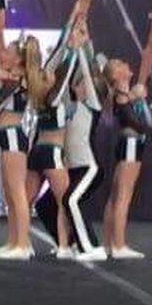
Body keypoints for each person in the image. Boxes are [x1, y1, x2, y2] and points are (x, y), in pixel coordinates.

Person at [26, 22, 92, 259]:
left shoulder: (39, 96)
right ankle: (64, 245)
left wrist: (69, 36)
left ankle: (20, 243)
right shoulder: (54, 97)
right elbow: (65, 71)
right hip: (52, 152)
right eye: (48, 74)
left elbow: (56, 63)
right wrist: (75, 48)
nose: (52, 72)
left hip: (36, 153)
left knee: (26, 200)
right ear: (47, 82)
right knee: (64, 201)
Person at [34, 45, 105, 262]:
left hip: (89, 168)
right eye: (80, 83)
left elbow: (87, 69)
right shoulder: (67, 106)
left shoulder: (92, 105)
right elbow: (58, 80)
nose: (84, 86)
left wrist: (82, 48)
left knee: (71, 200)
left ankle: (90, 247)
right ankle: (69, 243)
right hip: (72, 169)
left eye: (86, 83)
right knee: (44, 204)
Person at [0, 39, 35, 259]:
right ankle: (13, 241)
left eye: (8, 51)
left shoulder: (17, 81)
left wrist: (1, 81)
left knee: (17, 192)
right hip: (7, 138)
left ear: (17, 59)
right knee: (10, 194)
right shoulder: (12, 80)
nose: (3, 54)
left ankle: (23, 245)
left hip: (14, 137)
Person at [101, 59, 152, 259]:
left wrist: (140, 99)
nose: (126, 65)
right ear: (116, 76)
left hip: (130, 145)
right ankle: (119, 245)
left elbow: (149, 122)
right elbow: (138, 124)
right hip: (131, 145)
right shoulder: (122, 96)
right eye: (121, 65)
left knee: (116, 195)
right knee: (123, 195)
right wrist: (134, 97)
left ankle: (109, 242)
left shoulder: (126, 95)